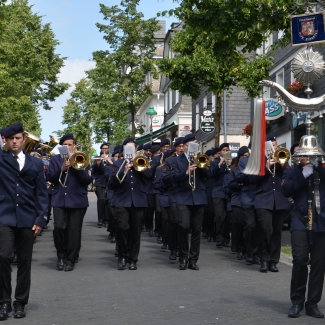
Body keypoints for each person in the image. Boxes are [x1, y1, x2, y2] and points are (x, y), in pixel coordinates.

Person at [0, 122, 48, 320]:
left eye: (17, 138)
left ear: (24, 140)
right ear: (5, 140)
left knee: (25, 261)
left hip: (28, 218)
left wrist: (40, 218)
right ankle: (4, 302)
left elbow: (41, 194)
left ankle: (20, 302)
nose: (14, 141)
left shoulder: (35, 163)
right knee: (3, 257)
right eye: (10, 138)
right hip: (4, 216)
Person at [282, 151, 325, 318]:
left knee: (318, 264)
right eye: (303, 154)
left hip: (321, 222)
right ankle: (297, 301)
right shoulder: (291, 172)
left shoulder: (321, 169)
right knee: (300, 259)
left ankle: (312, 303)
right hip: (300, 220)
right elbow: (286, 190)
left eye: (310, 154)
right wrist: (304, 173)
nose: (306, 157)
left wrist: (317, 167)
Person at [46, 133, 92, 272]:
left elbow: (87, 180)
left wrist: (75, 166)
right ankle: (61, 256)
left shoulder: (82, 158)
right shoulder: (54, 160)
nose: (67, 147)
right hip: (59, 199)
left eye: (69, 145)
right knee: (59, 227)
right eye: (64, 145)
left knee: (73, 231)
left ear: (74, 146)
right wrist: (61, 169)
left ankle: (70, 259)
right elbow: (49, 178)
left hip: (77, 200)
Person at [109, 138, 153, 270]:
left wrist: (137, 165)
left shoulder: (142, 161)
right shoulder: (117, 164)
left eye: (132, 148)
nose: (130, 150)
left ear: (135, 150)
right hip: (122, 201)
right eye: (127, 148)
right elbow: (111, 184)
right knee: (122, 228)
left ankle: (133, 258)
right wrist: (124, 171)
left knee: (135, 231)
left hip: (138, 201)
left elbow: (149, 175)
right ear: (123, 150)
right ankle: (122, 256)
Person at [250, 134, 290, 272]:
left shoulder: (282, 158)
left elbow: (288, 174)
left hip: (279, 200)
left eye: (275, 144)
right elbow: (252, 180)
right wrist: (266, 167)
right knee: (266, 230)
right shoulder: (258, 160)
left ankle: (274, 261)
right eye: (271, 145)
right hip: (263, 200)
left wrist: (280, 163)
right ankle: (264, 259)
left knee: (277, 232)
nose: (273, 147)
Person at [169, 133, 209, 270]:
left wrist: (200, 163)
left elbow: (210, 174)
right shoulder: (176, 160)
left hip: (198, 197)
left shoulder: (201, 159)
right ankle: (183, 257)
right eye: (189, 145)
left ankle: (193, 259)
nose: (192, 148)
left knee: (197, 230)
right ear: (184, 147)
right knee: (183, 226)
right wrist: (185, 173)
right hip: (183, 197)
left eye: (194, 145)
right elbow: (171, 178)